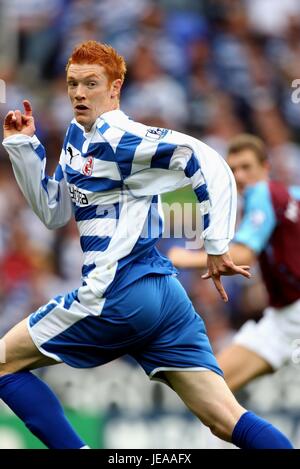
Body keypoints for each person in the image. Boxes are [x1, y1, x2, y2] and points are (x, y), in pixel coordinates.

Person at [1, 41, 293, 449]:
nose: (80, 93)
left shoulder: (121, 136)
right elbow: (53, 212)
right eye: (72, 84)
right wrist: (22, 148)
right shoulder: (76, 136)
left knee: (3, 364)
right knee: (226, 420)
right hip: (162, 295)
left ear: (115, 88)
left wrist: (215, 243)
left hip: (116, 293)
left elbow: (207, 161)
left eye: (91, 83)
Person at [169, 134, 300, 393]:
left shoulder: (261, 193)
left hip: (293, 312)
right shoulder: (290, 194)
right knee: (213, 391)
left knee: (209, 391)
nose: (239, 176)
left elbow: (243, 254)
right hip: (283, 316)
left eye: (246, 167)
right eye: (233, 169)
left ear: (265, 168)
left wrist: (184, 258)